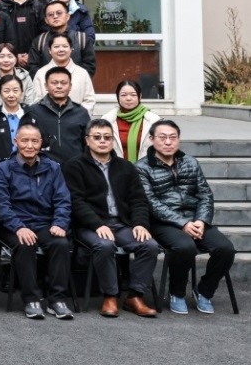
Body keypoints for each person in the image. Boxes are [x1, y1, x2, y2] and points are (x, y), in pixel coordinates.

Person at [136, 120, 235, 315]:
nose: (168, 142)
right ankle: (177, 292)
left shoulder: (190, 162)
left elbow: (205, 195)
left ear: (179, 139)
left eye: (173, 137)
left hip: (195, 219)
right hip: (163, 223)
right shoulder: (141, 167)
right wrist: (183, 223)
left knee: (225, 249)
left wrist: (201, 221)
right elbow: (151, 203)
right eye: (162, 137)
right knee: (184, 247)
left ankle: (204, 291)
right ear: (152, 139)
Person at [63, 119, 160, 318]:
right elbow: (76, 201)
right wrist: (97, 224)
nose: (102, 141)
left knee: (149, 245)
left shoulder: (126, 166)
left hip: (121, 223)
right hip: (90, 226)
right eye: (97, 137)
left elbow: (138, 199)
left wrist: (140, 223)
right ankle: (110, 296)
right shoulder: (74, 166)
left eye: (107, 137)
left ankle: (135, 296)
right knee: (105, 245)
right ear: (87, 140)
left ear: (113, 141)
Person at [0, 122, 75, 320]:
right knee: (25, 244)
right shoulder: (4, 168)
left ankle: (56, 299)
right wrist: (18, 227)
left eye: (34, 141)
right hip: (13, 225)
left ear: (41, 143)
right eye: (25, 141)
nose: (29, 145)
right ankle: (31, 299)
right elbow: (1, 204)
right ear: (16, 142)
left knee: (60, 243)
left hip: (44, 223)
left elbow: (63, 199)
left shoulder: (53, 167)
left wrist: (60, 223)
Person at [29, 67, 91, 165]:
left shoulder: (81, 112)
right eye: (54, 83)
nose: (59, 86)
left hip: (75, 167)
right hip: (43, 167)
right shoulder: (34, 111)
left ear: (70, 86)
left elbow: (88, 144)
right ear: (46, 86)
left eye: (63, 83)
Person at [0, 74, 40, 175]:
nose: (11, 95)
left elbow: (43, 145)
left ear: (21, 92)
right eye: (6, 91)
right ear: (0, 93)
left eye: (15, 90)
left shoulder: (32, 116)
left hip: (30, 172)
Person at [29, 0, 97, 76]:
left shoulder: (82, 39)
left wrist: (69, 80)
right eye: (50, 14)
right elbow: (33, 67)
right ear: (46, 20)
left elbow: (90, 66)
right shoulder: (39, 41)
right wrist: (51, 80)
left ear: (68, 16)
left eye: (59, 13)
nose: (55, 16)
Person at [32, 34, 97, 114]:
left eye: (65, 46)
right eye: (56, 46)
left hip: (76, 120)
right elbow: (35, 101)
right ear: (49, 50)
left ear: (71, 49)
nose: (61, 49)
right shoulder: (41, 73)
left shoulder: (82, 73)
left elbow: (89, 101)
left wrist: (76, 116)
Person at [99, 80, 159, 162]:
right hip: (116, 167)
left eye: (133, 95)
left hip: (146, 168)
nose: (128, 98)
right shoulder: (107, 120)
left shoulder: (153, 120)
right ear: (118, 97)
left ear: (140, 96)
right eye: (123, 95)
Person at [0, 43, 38, 110]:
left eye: (10, 56)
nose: (6, 60)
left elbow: (30, 103)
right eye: (2, 56)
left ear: (16, 59)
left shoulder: (25, 77)